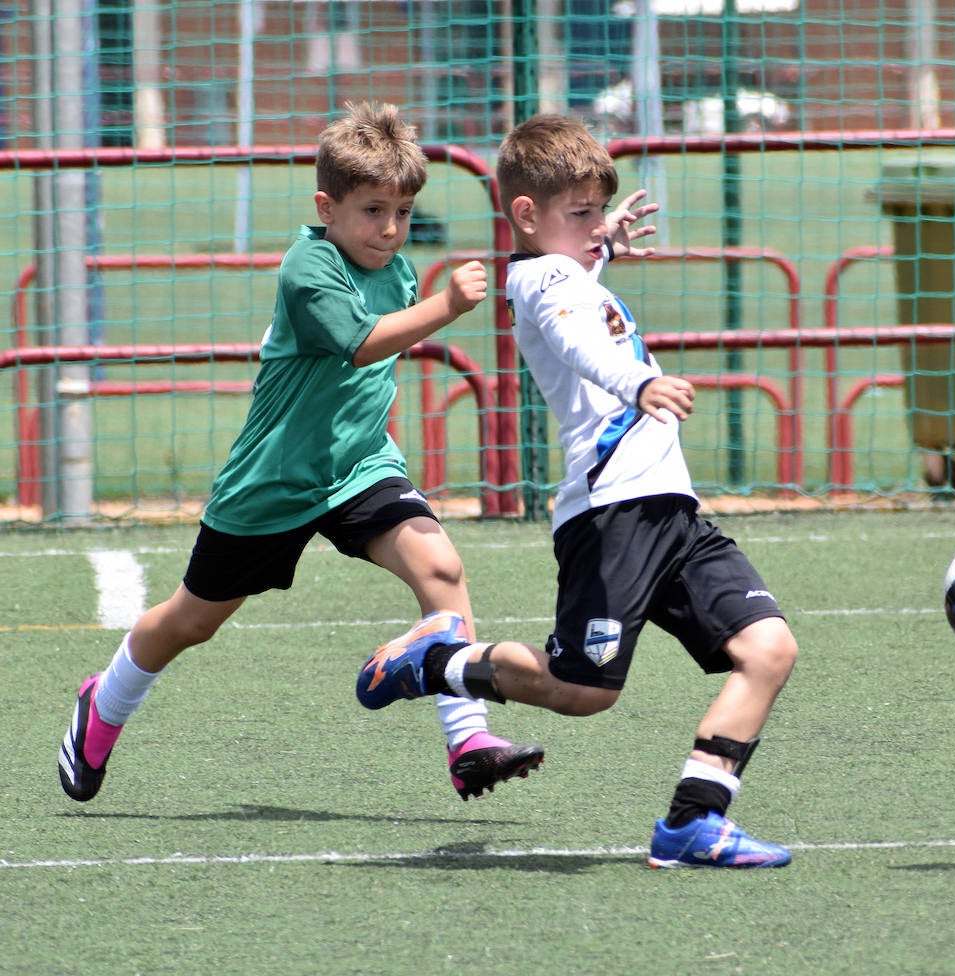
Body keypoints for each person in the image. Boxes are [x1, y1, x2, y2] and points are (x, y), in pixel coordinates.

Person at [59, 100, 543, 807]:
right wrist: (447, 306)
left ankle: (467, 740)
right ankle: (103, 704)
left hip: (358, 469)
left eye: (404, 212)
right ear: (328, 204)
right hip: (273, 483)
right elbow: (362, 343)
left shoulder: (397, 269)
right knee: (190, 621)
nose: (390, 229)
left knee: (440, 566)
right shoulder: (307, 268)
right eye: (374, 210)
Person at [354, 113, 799, 869]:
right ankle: (434, 662)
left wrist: (599, 250)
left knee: (769, 648)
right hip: (614, 515)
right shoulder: (542, 279)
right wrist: (643, 380)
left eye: (599, 212)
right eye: (580, 214)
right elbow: (576, 341)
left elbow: (573, 298)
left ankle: (695, 821)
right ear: (526, 215)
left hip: (671, 511)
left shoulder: (563, 270)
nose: (596, 227)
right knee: (583, 691)